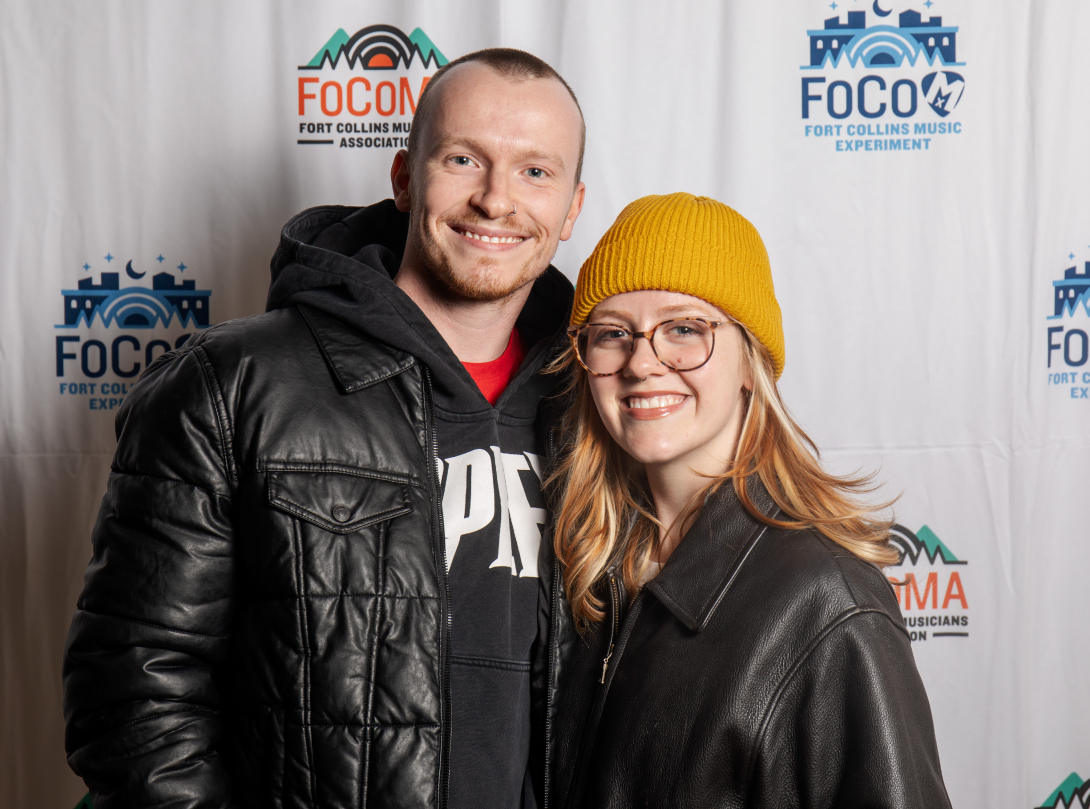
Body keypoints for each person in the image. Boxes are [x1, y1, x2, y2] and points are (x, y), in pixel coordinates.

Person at [62, 48, 586, 809]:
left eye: (536, 172)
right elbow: (134, 687)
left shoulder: (600, 403)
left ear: (571, 207)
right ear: (405, 179)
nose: (496, 200)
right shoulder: (234, 382)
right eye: (464, 159)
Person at [542, 193, 952, 809]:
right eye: (612, 334)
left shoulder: (828, 600)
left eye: (684, 329)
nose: (642, 363)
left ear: (747, 357)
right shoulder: (594, 566)